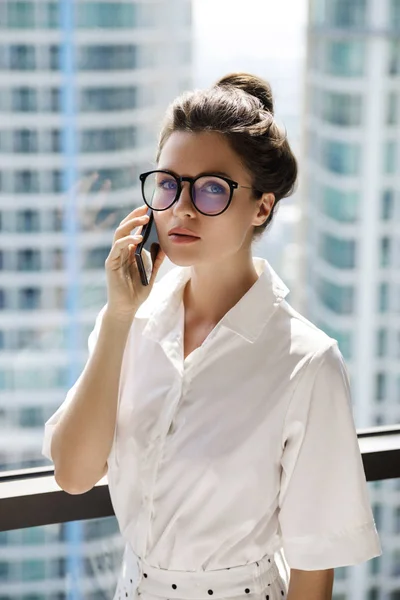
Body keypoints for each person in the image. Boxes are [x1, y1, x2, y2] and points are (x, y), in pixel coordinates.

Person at [42, 73, 382, 600]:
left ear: (262, 206)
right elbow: (73, 473)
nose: (181, 207)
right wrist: (116, 319)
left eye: (211, 189)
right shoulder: (132, 319)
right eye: (169, 183)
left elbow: (316, 571)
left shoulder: (306, 362)